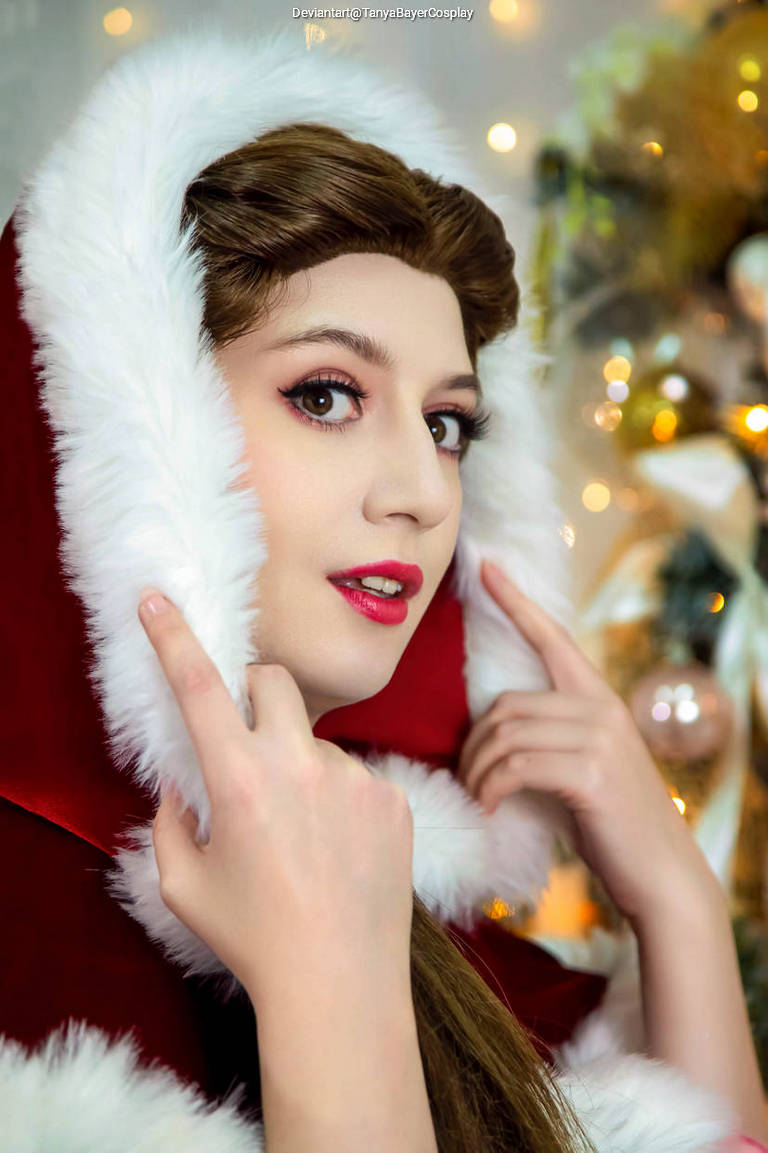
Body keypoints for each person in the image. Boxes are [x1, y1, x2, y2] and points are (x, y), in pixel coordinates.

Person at [1, 21, 765, 1152]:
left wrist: (676, 898)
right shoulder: (35, 986)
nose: (421, 490)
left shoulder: (471, 969)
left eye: (449, 422)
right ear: (119, 431)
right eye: (326, 393)